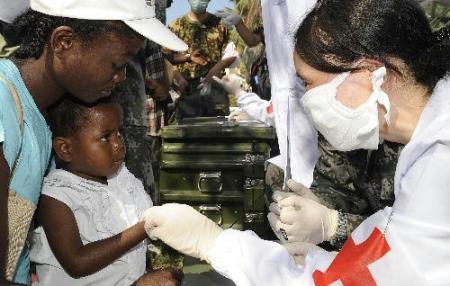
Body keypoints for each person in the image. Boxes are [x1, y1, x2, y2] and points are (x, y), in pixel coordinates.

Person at [141, 0, 450, 284]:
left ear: (368, 73)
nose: (308, 100)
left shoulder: (440, 162)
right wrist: (319, 244)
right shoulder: (429, 141)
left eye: (309, 84)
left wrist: (215, 244)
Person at [0, 0, 186, 284]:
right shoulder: (5, 107)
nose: (122, 77)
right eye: (118, 64)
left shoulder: (49, 115)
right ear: (64, 42)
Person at [29, 96, 182, 286]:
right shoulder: (57, 195)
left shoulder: (123, 178)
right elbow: (77, 263)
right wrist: (145, 227)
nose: (118, 143)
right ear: (65, 149)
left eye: (119, 133)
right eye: (105, 137)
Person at [163, 0, 238, 119]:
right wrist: (178, 77)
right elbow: (164, 58)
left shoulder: (221, 25)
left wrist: (218, 67)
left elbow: (232, 53)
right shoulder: (175, 26)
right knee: (189, 134)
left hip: (215, 89)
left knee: (219, 133)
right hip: (187, 90)